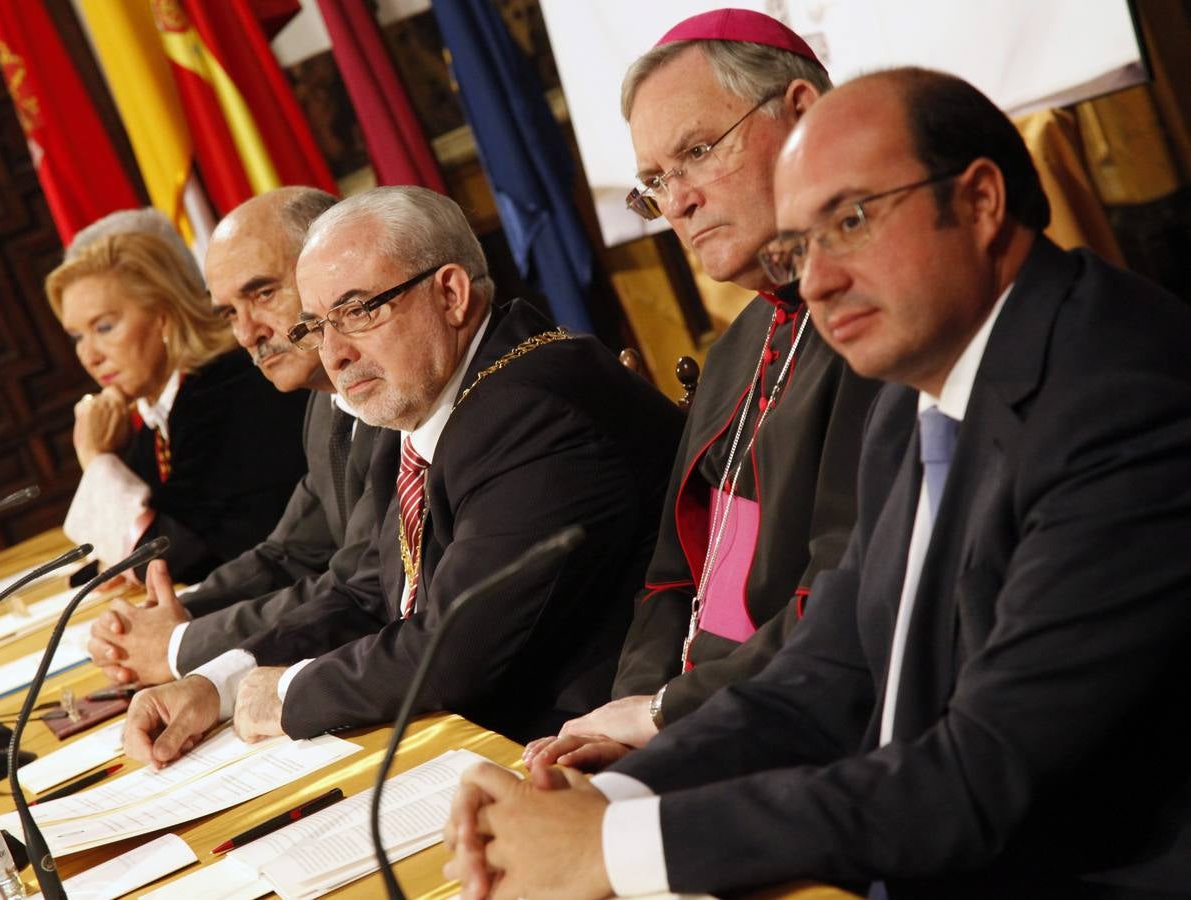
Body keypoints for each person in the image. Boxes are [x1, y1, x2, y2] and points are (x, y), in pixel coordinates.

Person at [444, 67, 1191, 898]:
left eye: (852, 220)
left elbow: (975, 778)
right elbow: (824, 677)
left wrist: (615, 848)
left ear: (979, 202)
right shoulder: (918, 398)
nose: (818, 280)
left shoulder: (1121, 399)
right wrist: (605, 799)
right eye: (802, 246)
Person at [119, 185, 684, 765]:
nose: (334, 354)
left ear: (450, 294)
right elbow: (366, 595)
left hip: (578, 750)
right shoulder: (421, 407)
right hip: (477, 735)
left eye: (358, 311)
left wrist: (286, 693)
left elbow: (454, 648)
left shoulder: (532, 410)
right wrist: (219, 686)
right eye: (317, 326)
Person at [526, 8, 878, 770]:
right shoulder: (735, 351)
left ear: (801, 114)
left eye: (696, 152)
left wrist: (662, 718)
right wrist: (615, 728)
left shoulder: (882, 327)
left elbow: (845, 600)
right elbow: (670, 580)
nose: (677, 201)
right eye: (654, 181)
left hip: (811, 736)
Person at [84, 188, 388, 687]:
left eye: (263, 294)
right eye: (228, 312)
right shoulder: (323, 403)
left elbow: (360, 588)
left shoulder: (379, 396)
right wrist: (170, 613)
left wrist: (180, 645)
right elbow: (288, 555)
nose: (246, 333)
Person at [46, 211, 308, 585]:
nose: (90, 356)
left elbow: (167, 561)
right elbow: (109, 556)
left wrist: (96, 459)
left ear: (164, 318)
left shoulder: (228, 391)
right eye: (77, 337)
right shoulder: (162, 412)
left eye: (104, 327)